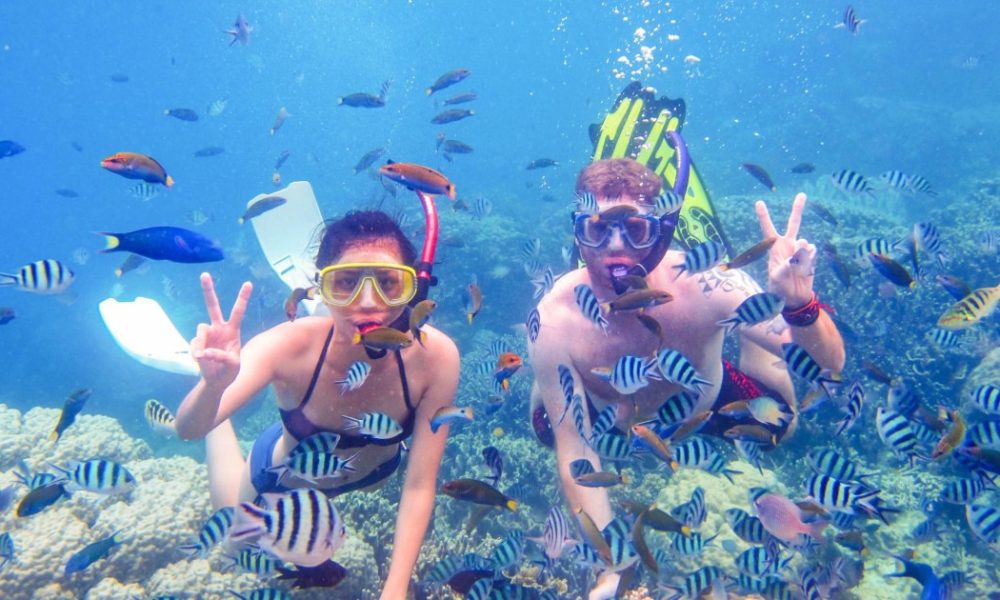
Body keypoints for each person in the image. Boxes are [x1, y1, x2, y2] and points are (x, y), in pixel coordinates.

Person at [526, 158, 845, 598]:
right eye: (597, 230)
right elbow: (575, 449)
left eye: (635, 230)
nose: (615, 248)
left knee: (782, 426)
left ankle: (751, 341)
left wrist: (800, 304)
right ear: (577, 233)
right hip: (607, 420)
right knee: (547, 428)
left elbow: (830, 367)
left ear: (661, 230)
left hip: (701, 403)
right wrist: (612, 566)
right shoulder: (555, 318)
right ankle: (546, 378)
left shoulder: (710, 283)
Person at [175, 210, 460, 599]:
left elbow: (419, 484)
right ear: (319, 288)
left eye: (389, 284)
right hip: (282, 479)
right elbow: (187, 430)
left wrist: (395, 589)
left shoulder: (437, 358)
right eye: (344, 284)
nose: (368, 303)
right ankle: (202, 382)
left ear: (413, 287)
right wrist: (212, 386)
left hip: (370, 477)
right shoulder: (289, 345)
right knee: (233, 539)